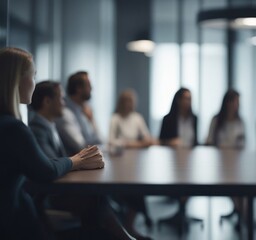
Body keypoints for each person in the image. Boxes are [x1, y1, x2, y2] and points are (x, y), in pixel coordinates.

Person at [0, 47, 104, 240]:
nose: (33, 83)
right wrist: (78, 160)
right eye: (32, 76)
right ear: (16, 80)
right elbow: (46, 170)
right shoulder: (14, 129)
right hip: (14, 224)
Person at [28, 81, 149, 240]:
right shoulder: (38, 128)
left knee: (98, 199)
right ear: (47, 101)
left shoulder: (49, 126)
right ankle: (124, 236)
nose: (64, 104)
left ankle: (121, 235)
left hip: (59, 189)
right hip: (51, 197)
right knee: (96, 198)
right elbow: (52, 165)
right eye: (61, 99)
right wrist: (78, 161)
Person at [109, 89, 155, 234]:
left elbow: (148, 139)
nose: (131, 104)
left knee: (138, 186)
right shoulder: (115, 118)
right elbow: (111, 141)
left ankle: (130, 225)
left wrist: (128, 143)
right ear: (122, 103)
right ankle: (134, 223)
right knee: (135, 189)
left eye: (132, 101)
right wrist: (136, 143)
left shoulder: (137, 118)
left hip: (137, 162)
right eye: (128, 101)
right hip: (119, 163)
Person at [158, 88, 200, 230]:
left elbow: (196, 142)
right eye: (185, 98)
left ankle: (182, 212)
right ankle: (180, 213)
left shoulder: (194, 119)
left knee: (191, 180)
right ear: (178, 100)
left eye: (190, 98)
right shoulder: (168, 119)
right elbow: (160, 141)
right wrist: (170, 142)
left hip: (191, 160)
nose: (188, 102)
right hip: (172, 161)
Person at [205, 89, 245, 229]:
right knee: (232, 181)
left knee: (242, 184)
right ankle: (241, 212)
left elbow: (243, 143)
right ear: (227, 102)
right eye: (235, 101)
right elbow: (209, 141)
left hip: (236, 163)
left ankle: (241, 212)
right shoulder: (216, 120)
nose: (237, 105)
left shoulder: (240, 121)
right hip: (219, 163)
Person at [55, 71, 102, 155]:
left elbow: (99, 140)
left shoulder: (82, 111)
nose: (91, 88)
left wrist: (91, 119)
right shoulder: (64, 113)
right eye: (88, 85)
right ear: (79, 89)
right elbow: (81, 147)